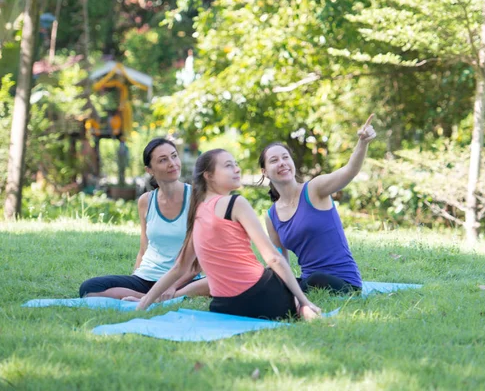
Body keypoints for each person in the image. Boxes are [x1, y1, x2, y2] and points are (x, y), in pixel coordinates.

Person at [135, 149, 321, 321]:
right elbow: (274, 258)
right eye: (228, 166)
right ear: (209, 176)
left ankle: (298, 307)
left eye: (236, 164)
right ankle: (300, 309)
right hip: (264, 297)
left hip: (225, 306)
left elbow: (178, 268)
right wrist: (304, 301)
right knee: (277, 277)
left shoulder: (197, 211)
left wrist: (143, 304)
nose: (237, 170)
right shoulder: (235, 203)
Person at [79, 138, 210, 300]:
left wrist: (172, 286)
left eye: (174, 156)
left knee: (216, 283)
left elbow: (199, 259)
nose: (172, 163)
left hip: (182, 280)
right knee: (89, 288)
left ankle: (153, 297)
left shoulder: (197, 198)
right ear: (150, 170)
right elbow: (143, 249)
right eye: (163, 160)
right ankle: (152, 297)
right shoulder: (146, 201)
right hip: (146, 278)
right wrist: (134, 276)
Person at [259, 114, 376, 294]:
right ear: (265, 171)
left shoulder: (314, 190)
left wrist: (363, 143)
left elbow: (349, 171)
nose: (282, 163)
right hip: (309, 283)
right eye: (274, 161)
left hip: (344, 283)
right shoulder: (271, 216)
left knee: (315, 279)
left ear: (292, 162)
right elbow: (279, 261)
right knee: (266, 281)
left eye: (285, 158)